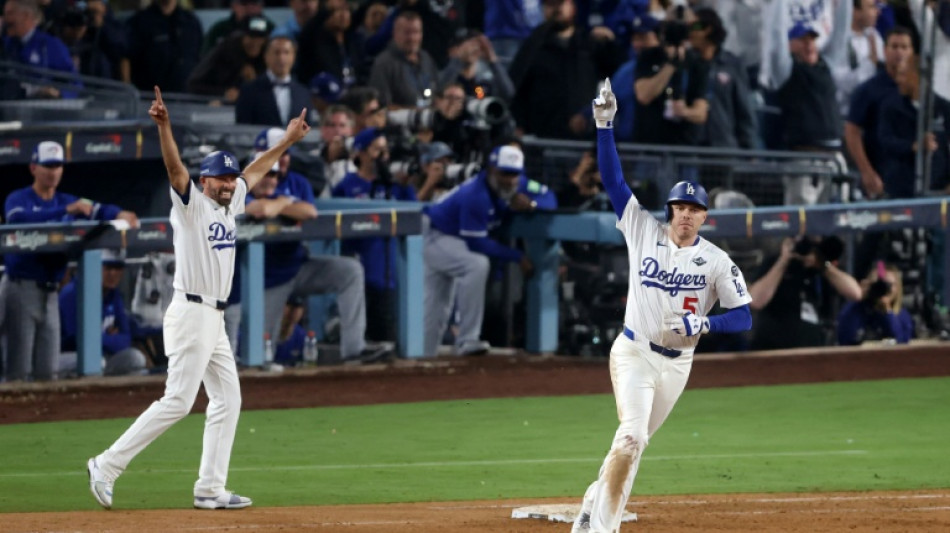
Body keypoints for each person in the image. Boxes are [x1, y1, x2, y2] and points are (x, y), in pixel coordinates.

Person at [85, 87, 310, 511]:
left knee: (228, 399)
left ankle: (210, 488)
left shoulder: (231, 204)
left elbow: (256, 172)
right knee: (178, 401)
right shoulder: (192, 205)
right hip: (190, 312)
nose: (228, 183)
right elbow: (174, 169)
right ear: (204, 181)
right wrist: (164, 126)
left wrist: (287, 141)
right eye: (220, 178)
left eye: (230, 178)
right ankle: (106, 464)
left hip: (215, 319)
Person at [572, 79, 753, 532]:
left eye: (694, 209)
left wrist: (705, 324)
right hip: (634, 351)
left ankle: (592, 504)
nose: (685, 214)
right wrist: (604, 125)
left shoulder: (717, 261)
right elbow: (613, 179)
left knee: (633, 443)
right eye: (679, 206)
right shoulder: (641, 229)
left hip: (677, 365)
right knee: (631, 435)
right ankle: (602, 529)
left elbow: (744, 315)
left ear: (705, 217)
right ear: (669, 210)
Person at [223, 148, 391, 365]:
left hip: (299, 270)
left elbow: (309, 212)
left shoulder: (280, 194)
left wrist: (280, 204)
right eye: (264, 174)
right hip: (264, 284)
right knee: (260, 354)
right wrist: (284, 202)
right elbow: (259, 210)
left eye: (273, 175)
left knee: (350, 271)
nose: (269, 180)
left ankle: (354, 350)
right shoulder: (236, 195)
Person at [1, 141, 138, 382]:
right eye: (47, 166)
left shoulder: (66, 199)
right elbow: (17, 219)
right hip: (21, 288)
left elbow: (97, 208)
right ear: (34, 168)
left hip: (51, 290)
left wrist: (118, 213)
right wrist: (66, 210)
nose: (53, 171)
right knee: (18, 371)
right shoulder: (19, 198)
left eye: (57, 166)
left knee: (48, 371)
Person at [421, 144, 535, 357]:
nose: (510, 179)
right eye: (505, 173)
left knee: (437, 303)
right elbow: (477, 244)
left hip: (450, 239)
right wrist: (517, 256)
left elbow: (548, 196)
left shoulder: (517, 184)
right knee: (475, 264)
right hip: (434, 234)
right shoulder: (476, 194)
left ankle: (423, 355)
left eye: (514, 174)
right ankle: (467, 339)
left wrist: (533, 204)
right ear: (491, 169)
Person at [332, 128, 417, 343]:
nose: (383, 156)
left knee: (389, 334)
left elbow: (415, 215)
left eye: (385, 150)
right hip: (359, 266)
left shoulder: (396, 185)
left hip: (391, 271)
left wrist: (408, 186)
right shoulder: (347, 184)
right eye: (376, 149)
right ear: (360, 153)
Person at [748, 236, 862, 350]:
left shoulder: (821, 269)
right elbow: (756, 301)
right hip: (775, 351)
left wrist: (822, 264)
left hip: (812, 353)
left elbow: (855, 293)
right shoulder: (774, 262)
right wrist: (783, 260)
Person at [844, 26, 915, 200]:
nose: (899, 52)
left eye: (904, 47)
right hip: (882, 175)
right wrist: (866, 171)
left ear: (912, 52)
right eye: (894, 46)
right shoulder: (869, 89)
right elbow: (851, 130)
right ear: (885, 50)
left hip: (914, 176)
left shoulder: (920, 89)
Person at [59, 249, 149, 377]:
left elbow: (126, 339)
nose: (113, 273)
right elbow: (77, 340)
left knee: (136, 358)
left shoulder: (114, 294)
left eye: (117, 268)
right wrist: (109, 338)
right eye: (107, 268)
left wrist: (99, 338)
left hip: (102, 356)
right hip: (67, 357)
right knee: (94, 362)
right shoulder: (72, 294)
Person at [689, 7, 758, 149]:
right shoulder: (686, 63)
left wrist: (748, 146)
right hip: (691, 146)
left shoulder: (732, 65)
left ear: (708, 29)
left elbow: (743, 108)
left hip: (723, 146)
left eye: (694, 26)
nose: (690, 32)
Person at [2, 0, 77, 99]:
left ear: (25, 16)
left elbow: (74, 83)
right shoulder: (4, 45)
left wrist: (59, 93)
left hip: (43, 110)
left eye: (10, 13)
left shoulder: (51, 45)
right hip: (9, 110)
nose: (5, 19)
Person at [123, 0, 202, 93]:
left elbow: (199, 58)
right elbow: (125, 58)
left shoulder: (191, 22)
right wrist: (127, 90)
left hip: (186, 98)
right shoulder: (138, 22)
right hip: (150, 98)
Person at [186, 15, 269, 102]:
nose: (256, 42)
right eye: (252, 37)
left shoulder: (267, 56)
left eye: (260, 38)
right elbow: (193, 85)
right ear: (242, 36)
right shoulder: (224, 52)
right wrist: (223, 93)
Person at [368, 11, 440, 108]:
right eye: (407, 32)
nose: (412, 38)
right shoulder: (383, 63)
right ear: (395, 33)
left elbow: (437, 92)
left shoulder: (426, 58)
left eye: (416, 32)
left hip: (431, 119)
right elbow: (382, 107)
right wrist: (415, 114)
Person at [235, 36, 312, 126]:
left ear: (293, 57)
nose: (281, 58)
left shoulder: (303, 93)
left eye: (286, 53)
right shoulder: (249, 91)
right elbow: (242, 130)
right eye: (276, 53)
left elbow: (306, 130)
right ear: (266, 56)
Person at [838, 261, 914, 345]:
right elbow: (845, 338)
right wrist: (859, 298)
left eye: (888, 285)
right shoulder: (855, 309)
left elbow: (900, 343)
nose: (882, 289)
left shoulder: (902, 315)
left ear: (897, 288)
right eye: (878, 285)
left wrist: (887, 312)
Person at [832, 0, 885, 116]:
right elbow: (842, 83)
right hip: (846, 115)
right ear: (855, 11)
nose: (877, 12)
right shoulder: (838, 40)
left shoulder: (874, 37)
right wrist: (870, 63)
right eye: (871, 7)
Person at [202, 0, 274, 55]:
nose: (249, 8)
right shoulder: (220, 29)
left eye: (254, 3)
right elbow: (205, 55)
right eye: (244, 3)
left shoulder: (269, 29)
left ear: (261, 6)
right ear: (234, 6)